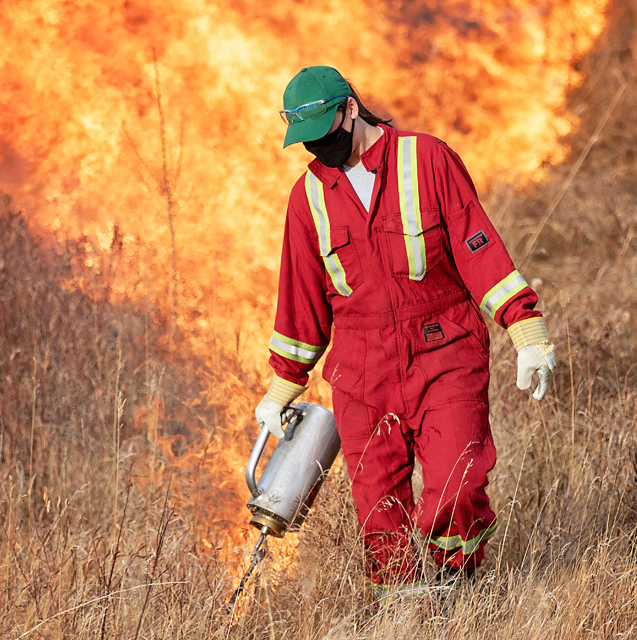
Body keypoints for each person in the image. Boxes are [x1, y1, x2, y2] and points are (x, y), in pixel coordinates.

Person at [255, 66, 556, 599]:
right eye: (308, 143)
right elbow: (299, 300)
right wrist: (282, 385)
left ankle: (457, 593)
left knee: (457, 482)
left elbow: (477, 246)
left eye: (326, 135)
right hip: (360, 370)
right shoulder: (307, 198)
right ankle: (406, 614)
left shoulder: (427, 159)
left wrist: (525, 329)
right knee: (377, 512)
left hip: (445, 351)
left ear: (351, 109)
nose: (320, 150)